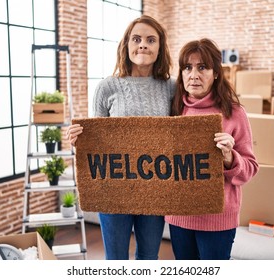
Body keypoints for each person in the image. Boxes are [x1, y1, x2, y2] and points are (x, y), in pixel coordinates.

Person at [66, 15, 175, 260]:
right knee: (115, 260)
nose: (143, 45)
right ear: (126, 46)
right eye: (136, 39)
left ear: (160, 47)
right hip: (113, 190)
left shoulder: (172, 87)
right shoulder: (107, 87)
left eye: (150, 39)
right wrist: (79, 143)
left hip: (155, 189)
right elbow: (97, 143)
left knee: (149, 259)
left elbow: (181, 135)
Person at [165, 38, 259, 260]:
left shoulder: (234, 113)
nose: (193, 74)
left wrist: (229, 157)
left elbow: (251, 168)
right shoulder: (174, 108)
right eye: (187, 67)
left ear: (216, 73)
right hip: (179, 215)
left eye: (202, 67)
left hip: (218, 218)